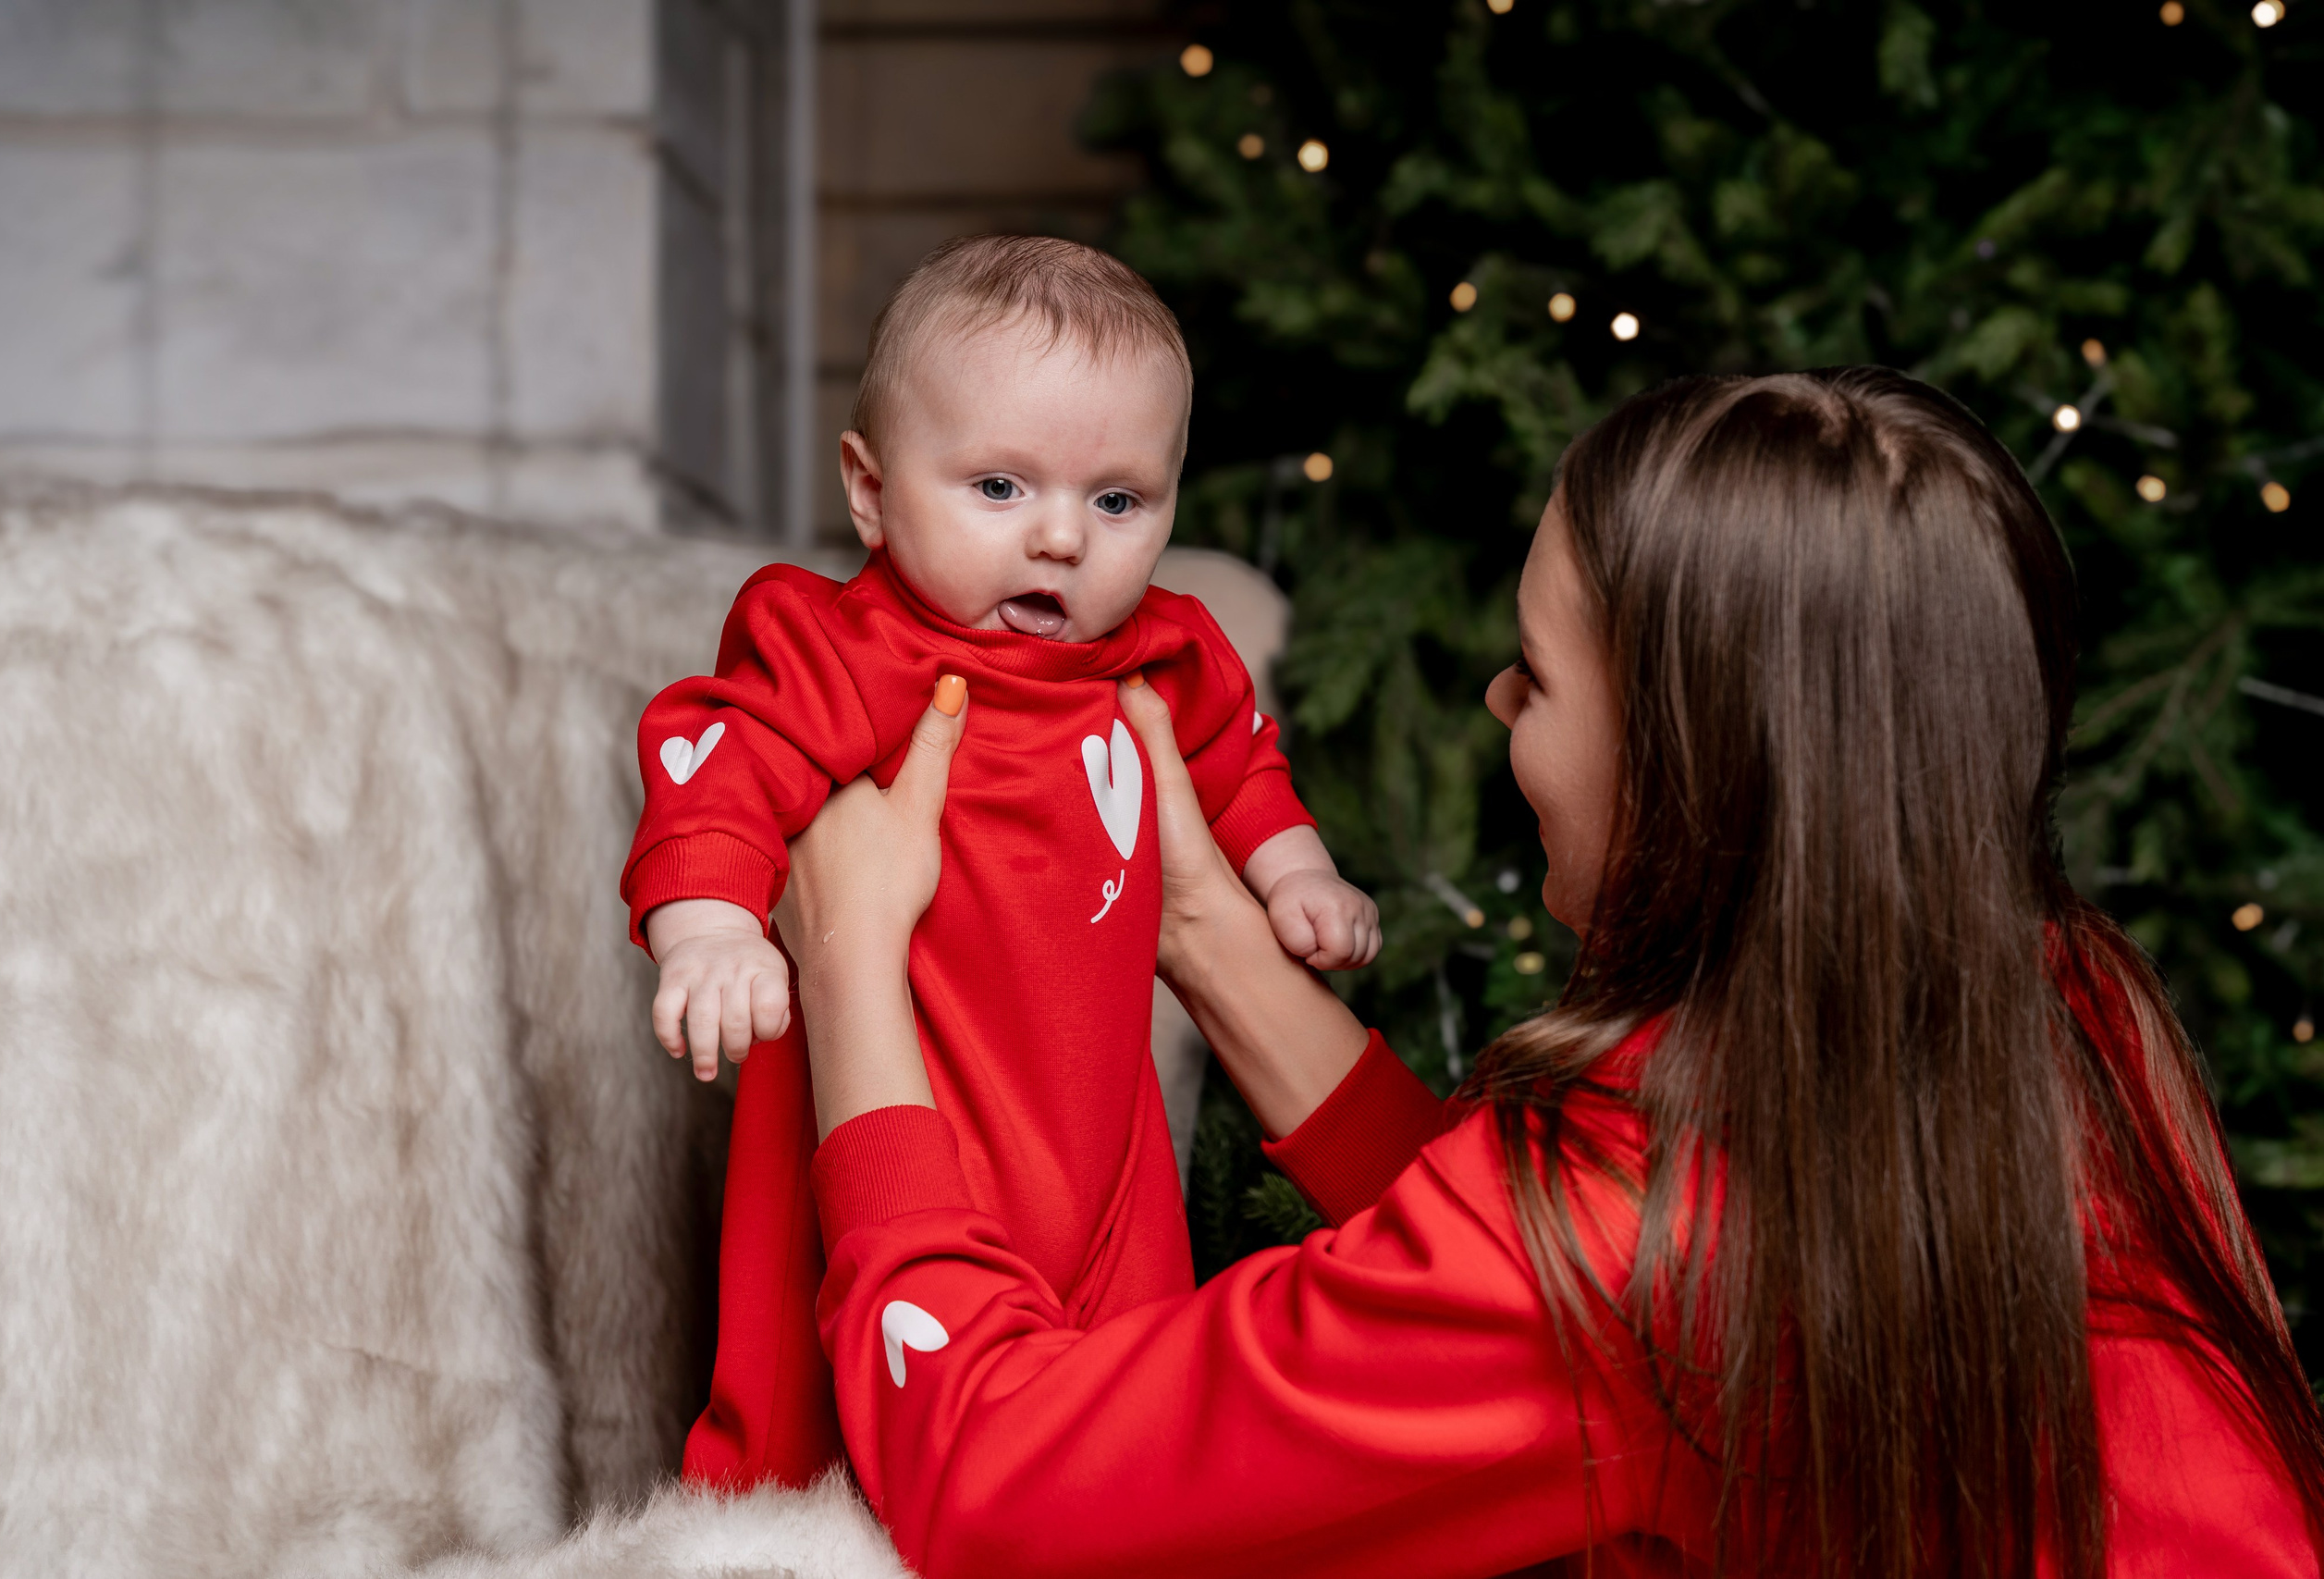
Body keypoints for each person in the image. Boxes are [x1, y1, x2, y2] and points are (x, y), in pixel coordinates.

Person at [776, 369, 2324, 1577]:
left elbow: (998, 1488)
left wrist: (851, 975)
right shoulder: (2076, 1000)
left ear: (1686, 763)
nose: (1500, 698)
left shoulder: (1617, 1251)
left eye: (1541, 672)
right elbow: (1538, 1289)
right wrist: (1204, 931)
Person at [620, 236, 1382, 1486]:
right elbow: (719, 757)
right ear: (871, 492)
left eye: (1119, 501)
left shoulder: (1161, 655)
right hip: (900, 1104)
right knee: (816, 1378)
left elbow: (1240, 763)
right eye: (999, 487)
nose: (1063, 538)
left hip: (1100, 1133)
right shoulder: (845, 651)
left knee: (1123, 1406)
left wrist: (1295, 870)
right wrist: (708, 926)